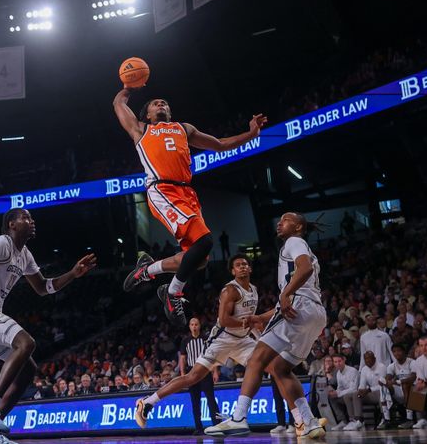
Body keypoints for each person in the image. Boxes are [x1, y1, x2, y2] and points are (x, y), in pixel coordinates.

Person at [114, 86, 266, 325]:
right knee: (205, 241)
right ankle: (173, 293)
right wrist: (128, 88)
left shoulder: (184, 129)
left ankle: (147, 270)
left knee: (199, 258)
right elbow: (119, 106)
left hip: (187, 192)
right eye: (156, 103)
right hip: (162, 189)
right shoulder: (141, 129)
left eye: (164, 102)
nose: (161, 104)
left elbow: (220, 144)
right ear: (147, 115)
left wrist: (251, 134)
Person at [0, 208, 96, 444]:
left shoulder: (25, 255)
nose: (31, 221)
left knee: (28, 368)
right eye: (25, 218)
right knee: (26, 342)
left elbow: (43, 288)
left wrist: (72, 274)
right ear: (11, 224)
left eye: (31, 218)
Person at [205, 212, 327, 439]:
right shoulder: (301, 247)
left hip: (300, 307)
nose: (280, 223)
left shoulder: (294, 242)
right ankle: (310, 422)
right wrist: (262, 317)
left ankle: (239, 418)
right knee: (281, 368)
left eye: (286, 220)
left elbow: (304, 271)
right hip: (315, 314)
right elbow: (299, 295)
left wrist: (286, 293)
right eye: (279, 220)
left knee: (256, 358)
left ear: (299, 227)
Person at [136, 255, 257, 433]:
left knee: (272, 365)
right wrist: (249, 323)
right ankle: (148, 402)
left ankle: (301, 419)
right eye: (238, 265)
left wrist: (258, 335)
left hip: (243, 340)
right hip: (222, 339)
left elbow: (253, 320)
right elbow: (224, 320)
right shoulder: (230, 290)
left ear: (250, 268)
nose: (242, 267)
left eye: (245, 264)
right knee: (192, 378)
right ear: (232, 271)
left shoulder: (254, 289)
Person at [381, 344, 416, 429]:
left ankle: (409, 419)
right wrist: (384, 381)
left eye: (399, 351)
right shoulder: (392, 366)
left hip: (414, 392)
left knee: (405, 384)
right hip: (400, 392)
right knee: (383, 387)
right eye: (394, 351)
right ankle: (387, 419)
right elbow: (388, 377)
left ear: (404, 352)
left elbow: (413, 377)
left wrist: (398, 381)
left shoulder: (412, 362)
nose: (397, 353)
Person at [327, 354, 363, 431]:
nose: (338, 363)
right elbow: (340, 388)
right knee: (331, 397)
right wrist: (335, 392)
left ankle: (354, 420)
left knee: (348, 396)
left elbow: (354, 388)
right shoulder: (338, 373)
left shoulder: (352, 371)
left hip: (357, 395)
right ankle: (342, 421)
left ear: (344, 360)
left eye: (339, 361)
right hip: (346, 395)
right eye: (335, 362)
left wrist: (338, 393)